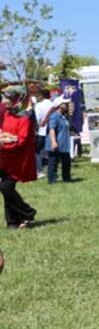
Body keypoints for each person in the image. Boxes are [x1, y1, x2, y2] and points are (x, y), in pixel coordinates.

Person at [0, 86, 37, 228]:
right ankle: (12, 222)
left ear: (16, 100)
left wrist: (6, 141)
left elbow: (22, 141)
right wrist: (6, 138)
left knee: (6, 188)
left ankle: (28, 212)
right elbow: (6, 133)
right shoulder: (7, 115)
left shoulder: (24, 118)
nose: (3, 101)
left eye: (6, 98)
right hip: (4, 159)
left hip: (18, 162)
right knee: (6, 191)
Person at [47, 99, 72, 183]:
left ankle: (67, 178)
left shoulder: (63, 116)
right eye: (65, 103)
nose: (67, 104)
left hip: (64, 144)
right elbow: (52, 129)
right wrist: (53, 141)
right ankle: (52, 180)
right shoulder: (54, 116)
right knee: (53, 162)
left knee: (66, 162)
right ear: (59, 105)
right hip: (57, 143)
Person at [34, 89, 52, 176]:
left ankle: (39, 170)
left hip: (41, 130)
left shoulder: (39, 105)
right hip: (51, 129)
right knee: (48, 151)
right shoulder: (52, 104)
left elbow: (37, 118)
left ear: (41, 95)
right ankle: (50, 168)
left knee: (37, 151)